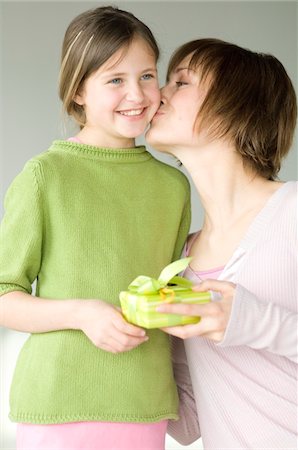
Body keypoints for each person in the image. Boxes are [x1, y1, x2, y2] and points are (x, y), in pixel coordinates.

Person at [0, 6, 191, 450]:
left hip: (144, 403)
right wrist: (82, 313)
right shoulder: (45, 176)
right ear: (78, 91)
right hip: (60, 404)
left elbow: (169, 292)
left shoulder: (172, 186)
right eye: (114, 80)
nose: (137, 94)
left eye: (147, 75)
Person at [146, 38, 297, 449]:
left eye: (181, 82)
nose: (157, 93)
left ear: (235, 105)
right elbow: (190, 420)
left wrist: (253, 322)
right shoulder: (182, 258)